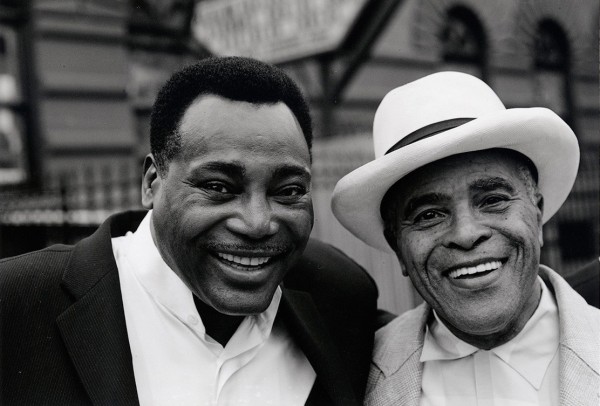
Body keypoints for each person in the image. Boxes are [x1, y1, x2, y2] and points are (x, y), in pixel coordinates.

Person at [0, 57, 378, 406]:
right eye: (218, 187)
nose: (258, 222)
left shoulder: (339, 295)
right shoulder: (18, 304)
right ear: (152, 183)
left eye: (289, 191)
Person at [332, 72, 600, 405]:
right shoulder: (350, 379)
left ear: (538, 214)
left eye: (492, 200)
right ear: (397, 247)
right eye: (428, 215)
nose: (466, 234)